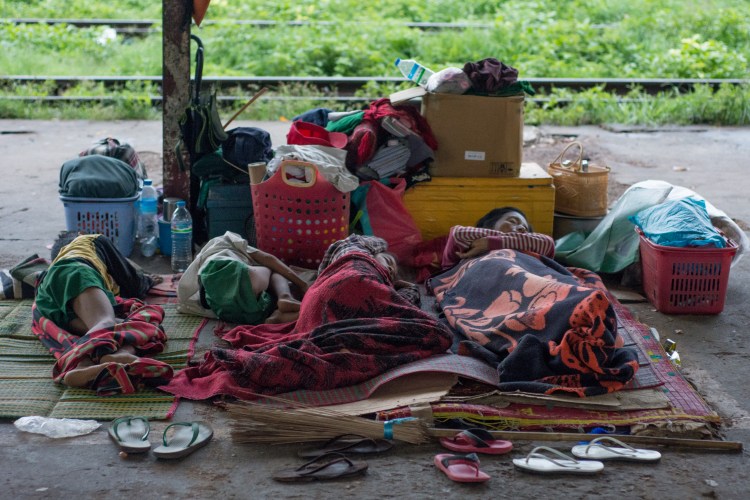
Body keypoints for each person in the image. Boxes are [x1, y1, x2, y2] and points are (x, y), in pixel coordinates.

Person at [162, 234, 453, 401]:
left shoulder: (375, 280)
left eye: (391, 268)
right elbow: (368, 244)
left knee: (419, 330)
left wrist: (397, 283)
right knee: (436, 333)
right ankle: (285, 301)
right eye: (387, 261)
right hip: (337, 288)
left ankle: (284, 303)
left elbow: (400, 308)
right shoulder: (355, 249)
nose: (389, 266)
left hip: (316, 307)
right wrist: (382, 254)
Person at [427, 207, 639, 397]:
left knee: (553, 287)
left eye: (523, 227)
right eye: (511, 221)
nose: (519, 227)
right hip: (488, 270)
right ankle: (570, 318)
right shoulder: (467, 246)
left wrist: (496, 242)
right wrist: (492, 244)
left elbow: (546, 243)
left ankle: (578, 311)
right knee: (508, 283)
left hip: (532, 273)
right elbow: (458, 234)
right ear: (487, 226)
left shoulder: (526, 247)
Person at [32, 233, 172, 394]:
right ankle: (94, 358)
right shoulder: (90, 240)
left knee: (135, 327)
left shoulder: (55, 275)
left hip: (47, 305)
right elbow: (132, 282)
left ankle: (88, 364)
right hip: (73, 273)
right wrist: (147, 280)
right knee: (107, 321)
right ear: (80, 235)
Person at [177, 231, 310, 325]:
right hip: (228, 270)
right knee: (272, 268)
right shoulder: (229, 240)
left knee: (262, 306)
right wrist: (302, 284)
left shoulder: (204, 257)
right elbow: (268, 258)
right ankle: (285, 296)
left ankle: (276, 318)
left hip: (222, 305)